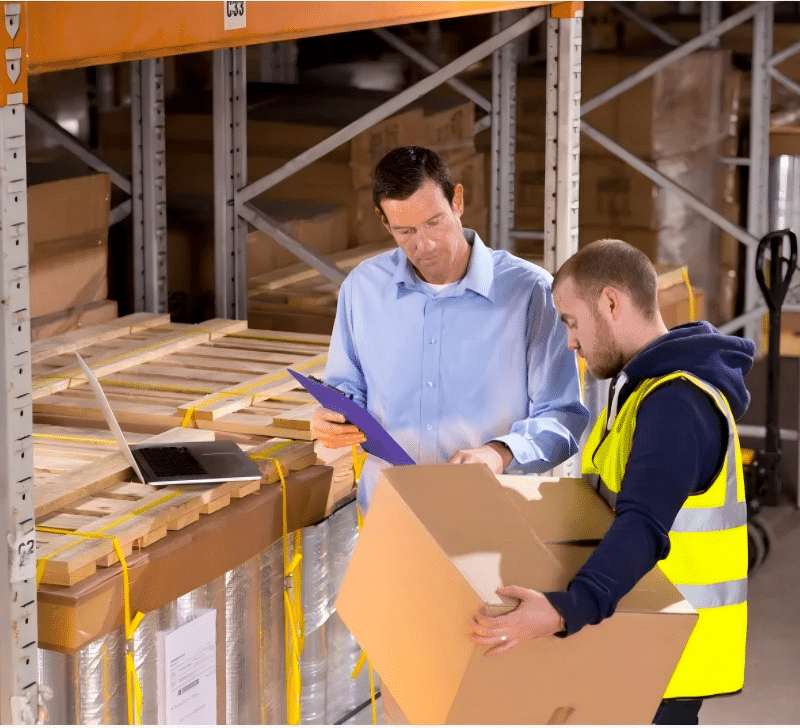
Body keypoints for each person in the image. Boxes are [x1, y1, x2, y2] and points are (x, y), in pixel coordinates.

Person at [468, 239, 754, 724]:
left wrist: (563, 611)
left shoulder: (674, 404)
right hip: (642, 640)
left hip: (665, 658)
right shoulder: (642, 391)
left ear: (612, 302)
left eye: (571, 321)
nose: (571, 342)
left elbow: (641, 525)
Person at [311, 146, 589, 514]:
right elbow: (347, 389)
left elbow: (562, 417)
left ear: (457, 201)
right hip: (391, 517)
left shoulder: (530, 292)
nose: (423, 244)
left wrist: (499, 452)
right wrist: (331, 418)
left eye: (434, 222)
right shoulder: (362, 289)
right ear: (383, 222)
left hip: (496, 524)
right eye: (405, 231)